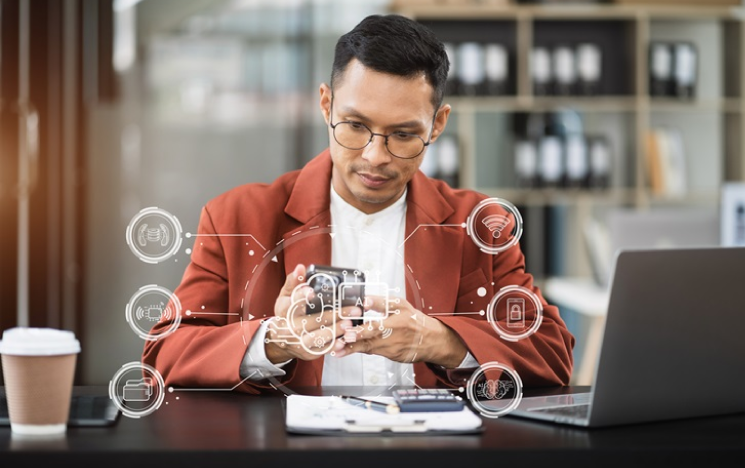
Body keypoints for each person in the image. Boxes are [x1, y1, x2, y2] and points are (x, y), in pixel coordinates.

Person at [141, 14, 574, 394]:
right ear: (326, 104)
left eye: (403, 135)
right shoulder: (237, 217)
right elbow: (163, 355)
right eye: (354, 126)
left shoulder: (479, 226)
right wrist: (275, 339)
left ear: (437, 125)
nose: (375, 156)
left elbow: (551, 352)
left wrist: (439, 341)